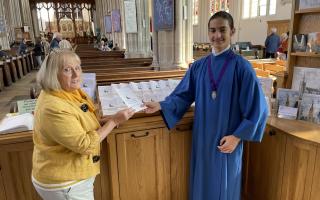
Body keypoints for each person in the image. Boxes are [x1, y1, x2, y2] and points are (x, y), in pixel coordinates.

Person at [144, 11, 268, 200]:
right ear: (208, 33)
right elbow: (183, 94)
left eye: (222, 30)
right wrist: (162, 105)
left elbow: (258, 108)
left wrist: (237, 137)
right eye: (212, 30)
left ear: (232, 31)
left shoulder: (242, 67)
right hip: (202, 140)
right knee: (202, 185)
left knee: (225, 188)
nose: (217, 35)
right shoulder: (199, 66)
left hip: (227, 141)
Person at [32, 49, 134, 200]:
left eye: (77, 68)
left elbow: (75, 122)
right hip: (65, 182)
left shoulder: (65, 92)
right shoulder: (53, 106)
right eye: (67, 70)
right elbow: (84, 144)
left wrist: (101, 122)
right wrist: (114, 121)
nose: (76, 74)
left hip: (68, 177)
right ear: (53, 75)